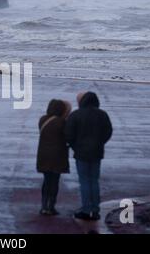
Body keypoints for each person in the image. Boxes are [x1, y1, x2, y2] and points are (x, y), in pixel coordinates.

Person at [66, 92, 113, 221]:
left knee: (85, 181)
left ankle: (87, 209)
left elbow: (69, 134)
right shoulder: (102, 115)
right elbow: (108, 131)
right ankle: (95, 209)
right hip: (97, 152)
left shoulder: (76, 115)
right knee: (94, 180)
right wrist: (100, 143)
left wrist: (75, 145)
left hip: (81, 153)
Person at [36, 99, 72, 216]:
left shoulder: (42, 119)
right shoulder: (62, 122)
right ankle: (51, 206)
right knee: (54, 181)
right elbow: (68, 137)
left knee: (46, 181)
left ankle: (44, 206)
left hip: (43, 154)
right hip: (57, 156)